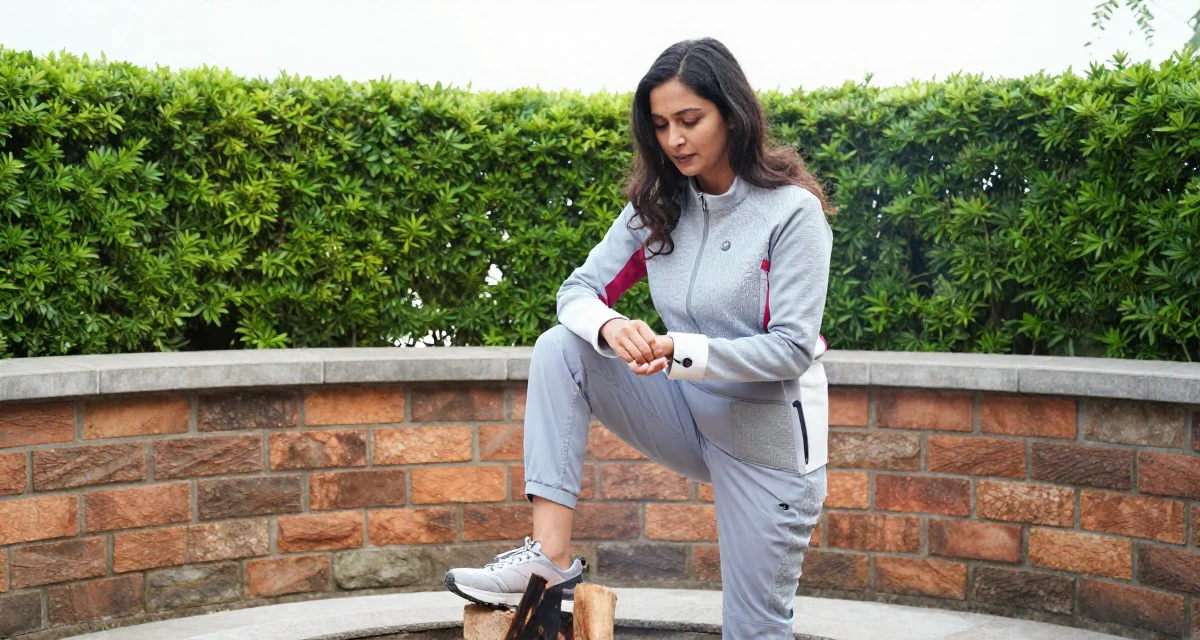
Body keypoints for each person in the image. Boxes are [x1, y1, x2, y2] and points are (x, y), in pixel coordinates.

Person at [445, 36, 835, 640]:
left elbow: (788, 349)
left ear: (732, 114)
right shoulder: (656, 208)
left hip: (767, 445)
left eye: (689, 120)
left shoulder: (791, 214)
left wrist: (678, 349)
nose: (674, 139)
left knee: (755, 631)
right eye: (660, 125)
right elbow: (576, 291)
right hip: (686, 416)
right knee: (562, 347)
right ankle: (549, 560)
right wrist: (610, 324)